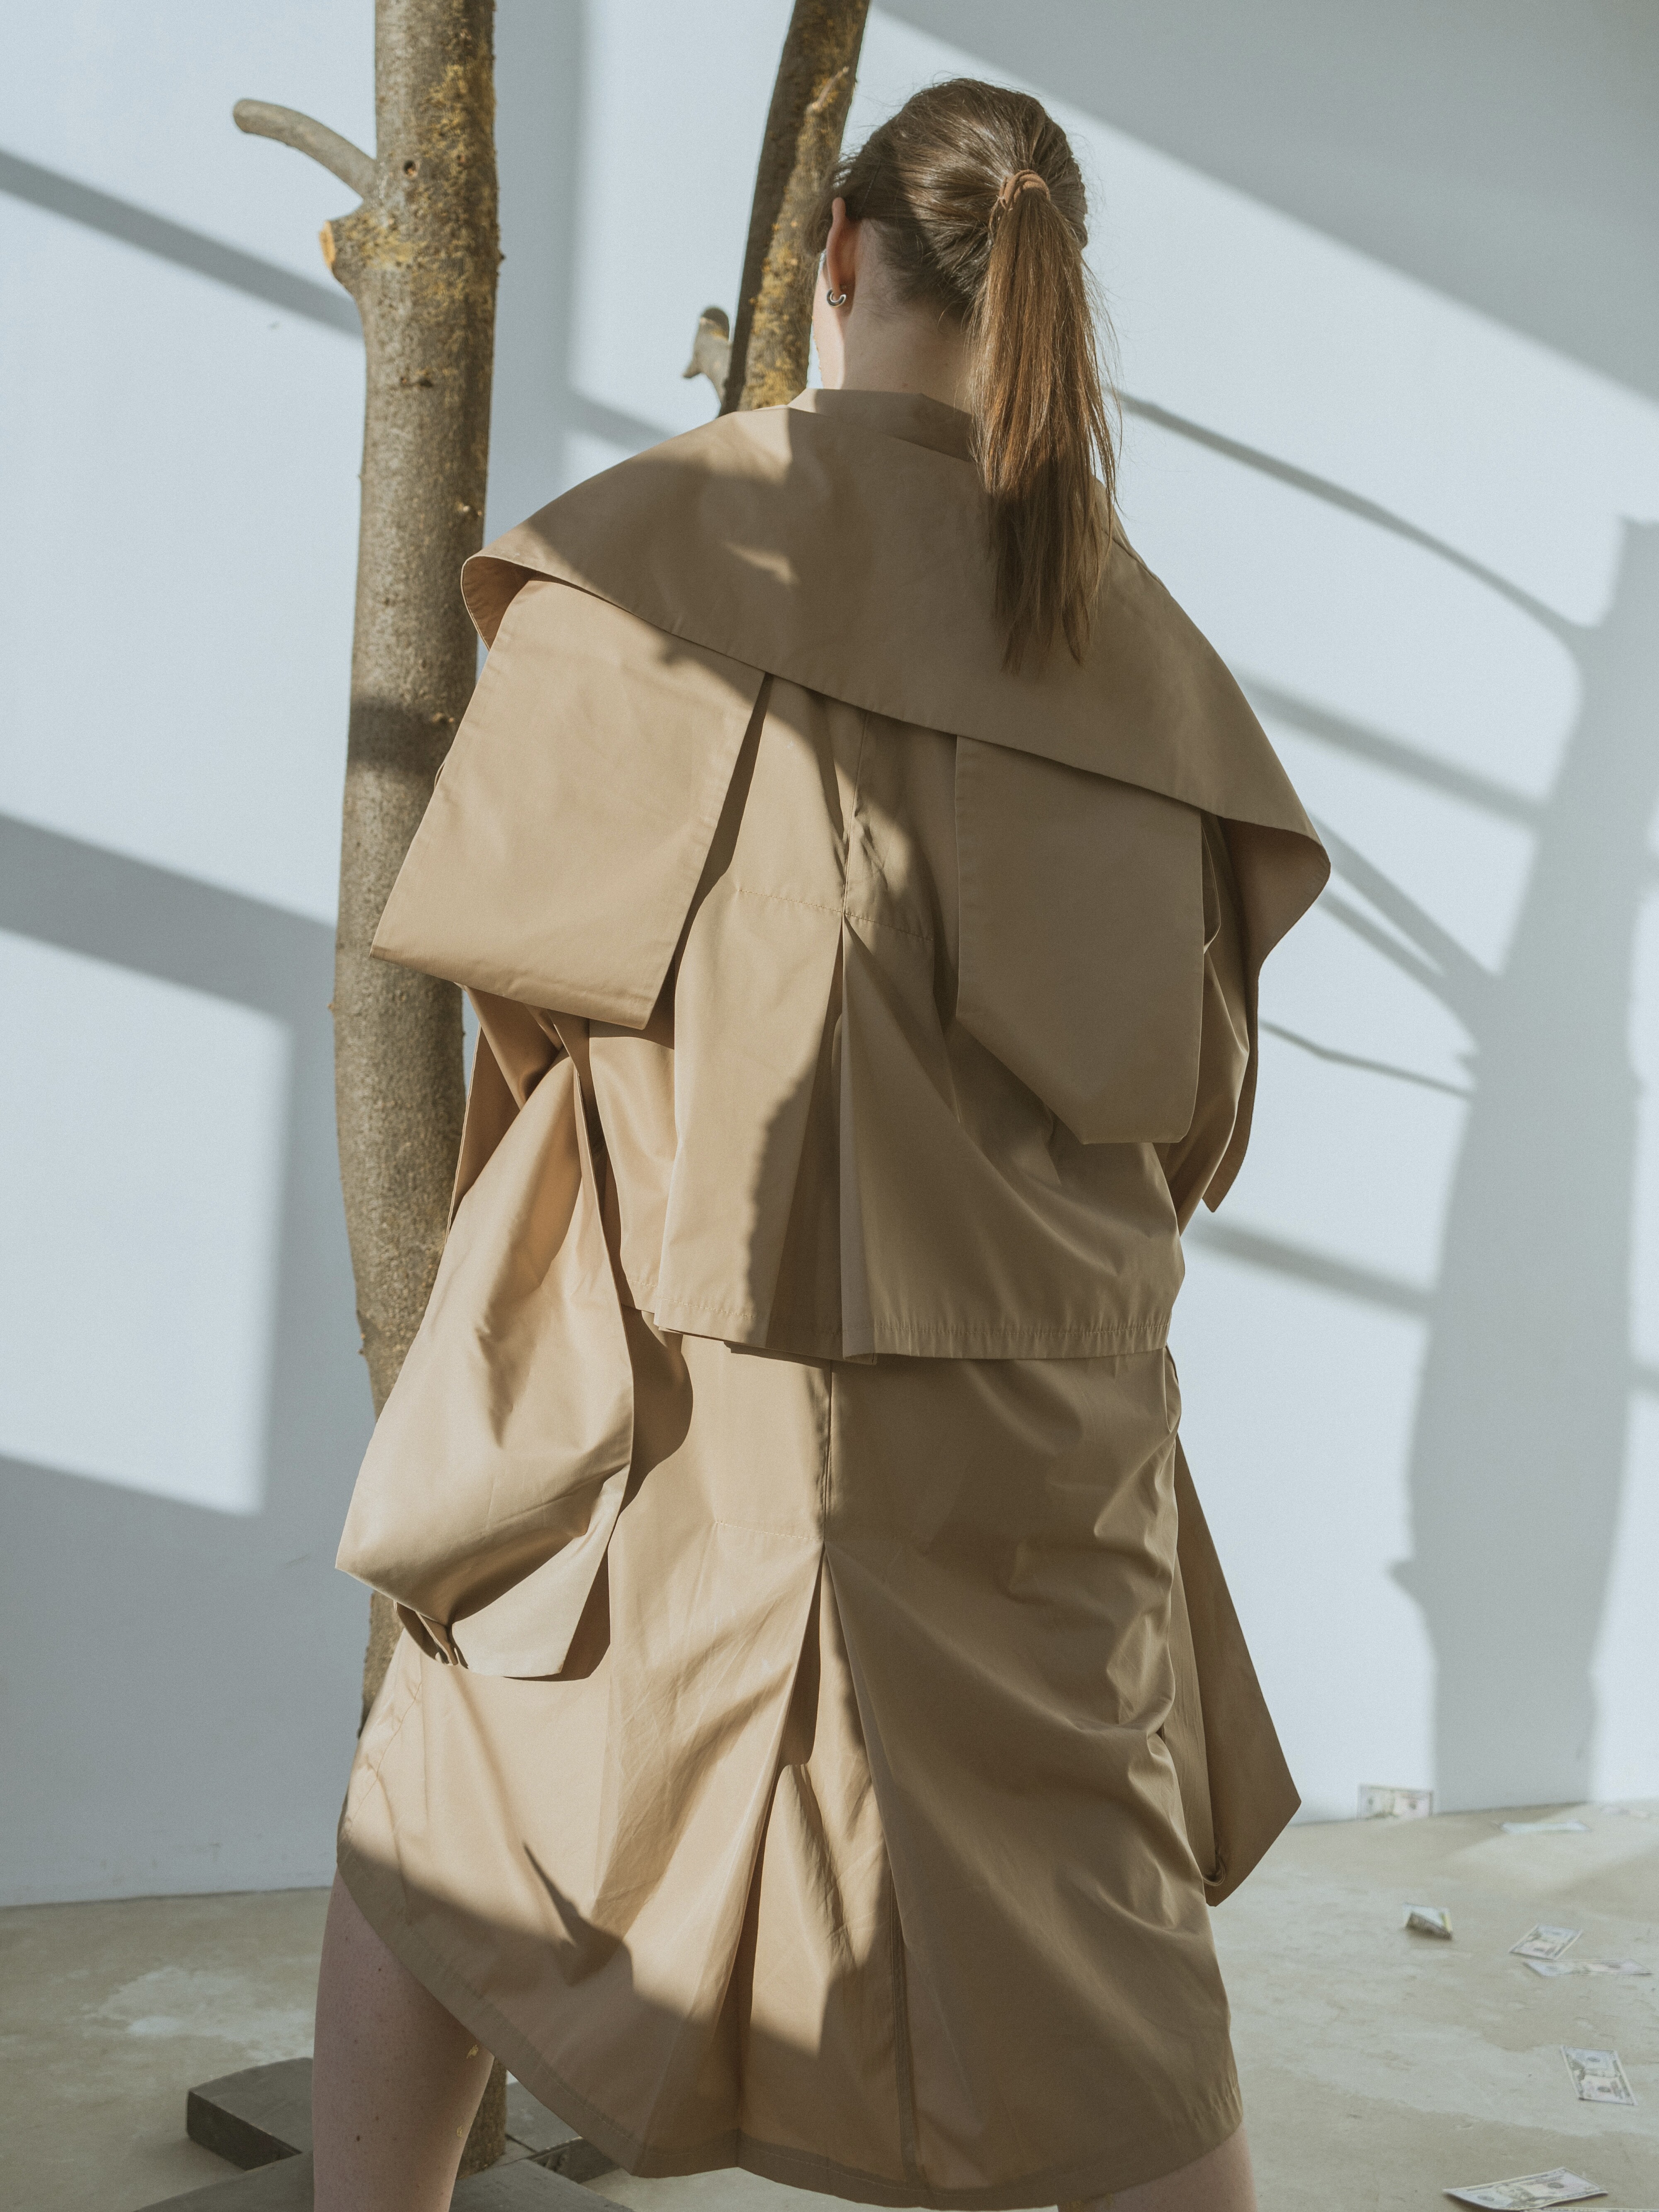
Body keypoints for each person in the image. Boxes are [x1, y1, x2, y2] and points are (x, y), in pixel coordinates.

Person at [312, 77, 1327, 2212]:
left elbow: (516, 990)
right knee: (1103, 1938)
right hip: (1036, 1449)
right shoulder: (1140, 657)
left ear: (837, 263)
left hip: (687, 1393)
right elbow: (1198, 1114)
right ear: (1042, 293)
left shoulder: (654, 561)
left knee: (446, 1811)